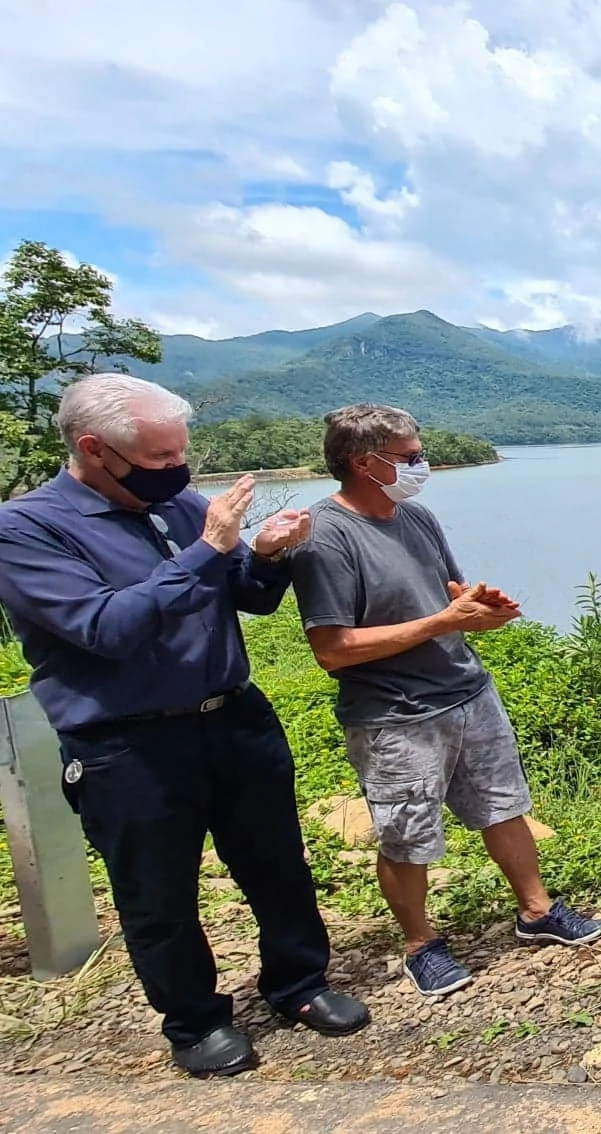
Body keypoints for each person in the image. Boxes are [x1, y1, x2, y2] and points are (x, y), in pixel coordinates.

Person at [0, 374, 368, 1077]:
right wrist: (209, 548)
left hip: (232, 716)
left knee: (276, 864)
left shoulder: (181, 510)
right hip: (125, 741)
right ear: (94, 449)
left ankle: (299, 984)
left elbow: (249, 599)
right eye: (162, 457)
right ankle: (194, 1022)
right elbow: (105, 628)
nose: (179, 468)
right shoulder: (27, 529)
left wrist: (264, 555)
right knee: (157, 891)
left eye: (181, 453)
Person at [289, 404, 601, 999]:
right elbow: (332, 649)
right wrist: (442, 621)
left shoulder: (416, 517)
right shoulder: (324, 537)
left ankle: (536, 911)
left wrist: (484, 614)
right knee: (406, 831)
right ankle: (420, 944)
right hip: (396, 715)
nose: (421, 463)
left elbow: (455, 602)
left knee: (504, 805)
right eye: (409, 456)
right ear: (364, 462)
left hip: (468, 692)